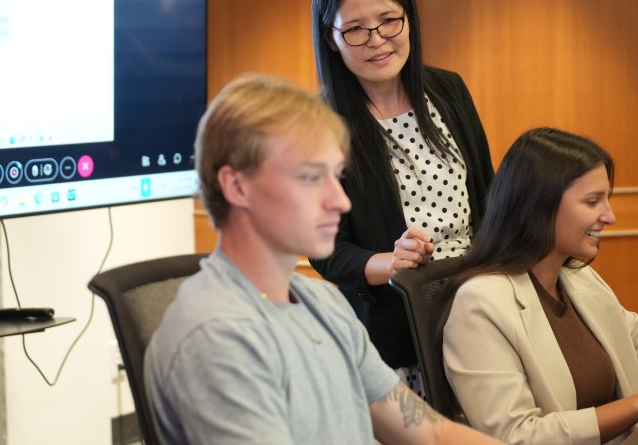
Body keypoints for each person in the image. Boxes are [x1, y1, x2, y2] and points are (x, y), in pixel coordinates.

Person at [144, 73, 507, 445]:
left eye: (336, 176)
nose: (341, 201)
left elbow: (430, 433)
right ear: (237, 187)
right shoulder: (216, 340)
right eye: (310, 178)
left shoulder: (322, 303)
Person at [309, 0, 494, 394]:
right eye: (354, 29)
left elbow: (490, 197)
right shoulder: (319, 123)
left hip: (482, 311)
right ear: (331, 39)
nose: (377, 40)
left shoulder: (447, 90)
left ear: (408, 18)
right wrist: (388, 262)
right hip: (400, 330)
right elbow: (325, 249)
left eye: (389, 20)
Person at [441, 127, 638, 445]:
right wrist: (637, 405)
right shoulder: (479, 305)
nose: (609, 216)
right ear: (539, 206)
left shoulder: (576, 278)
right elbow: (517, 437)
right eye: (593, 201)